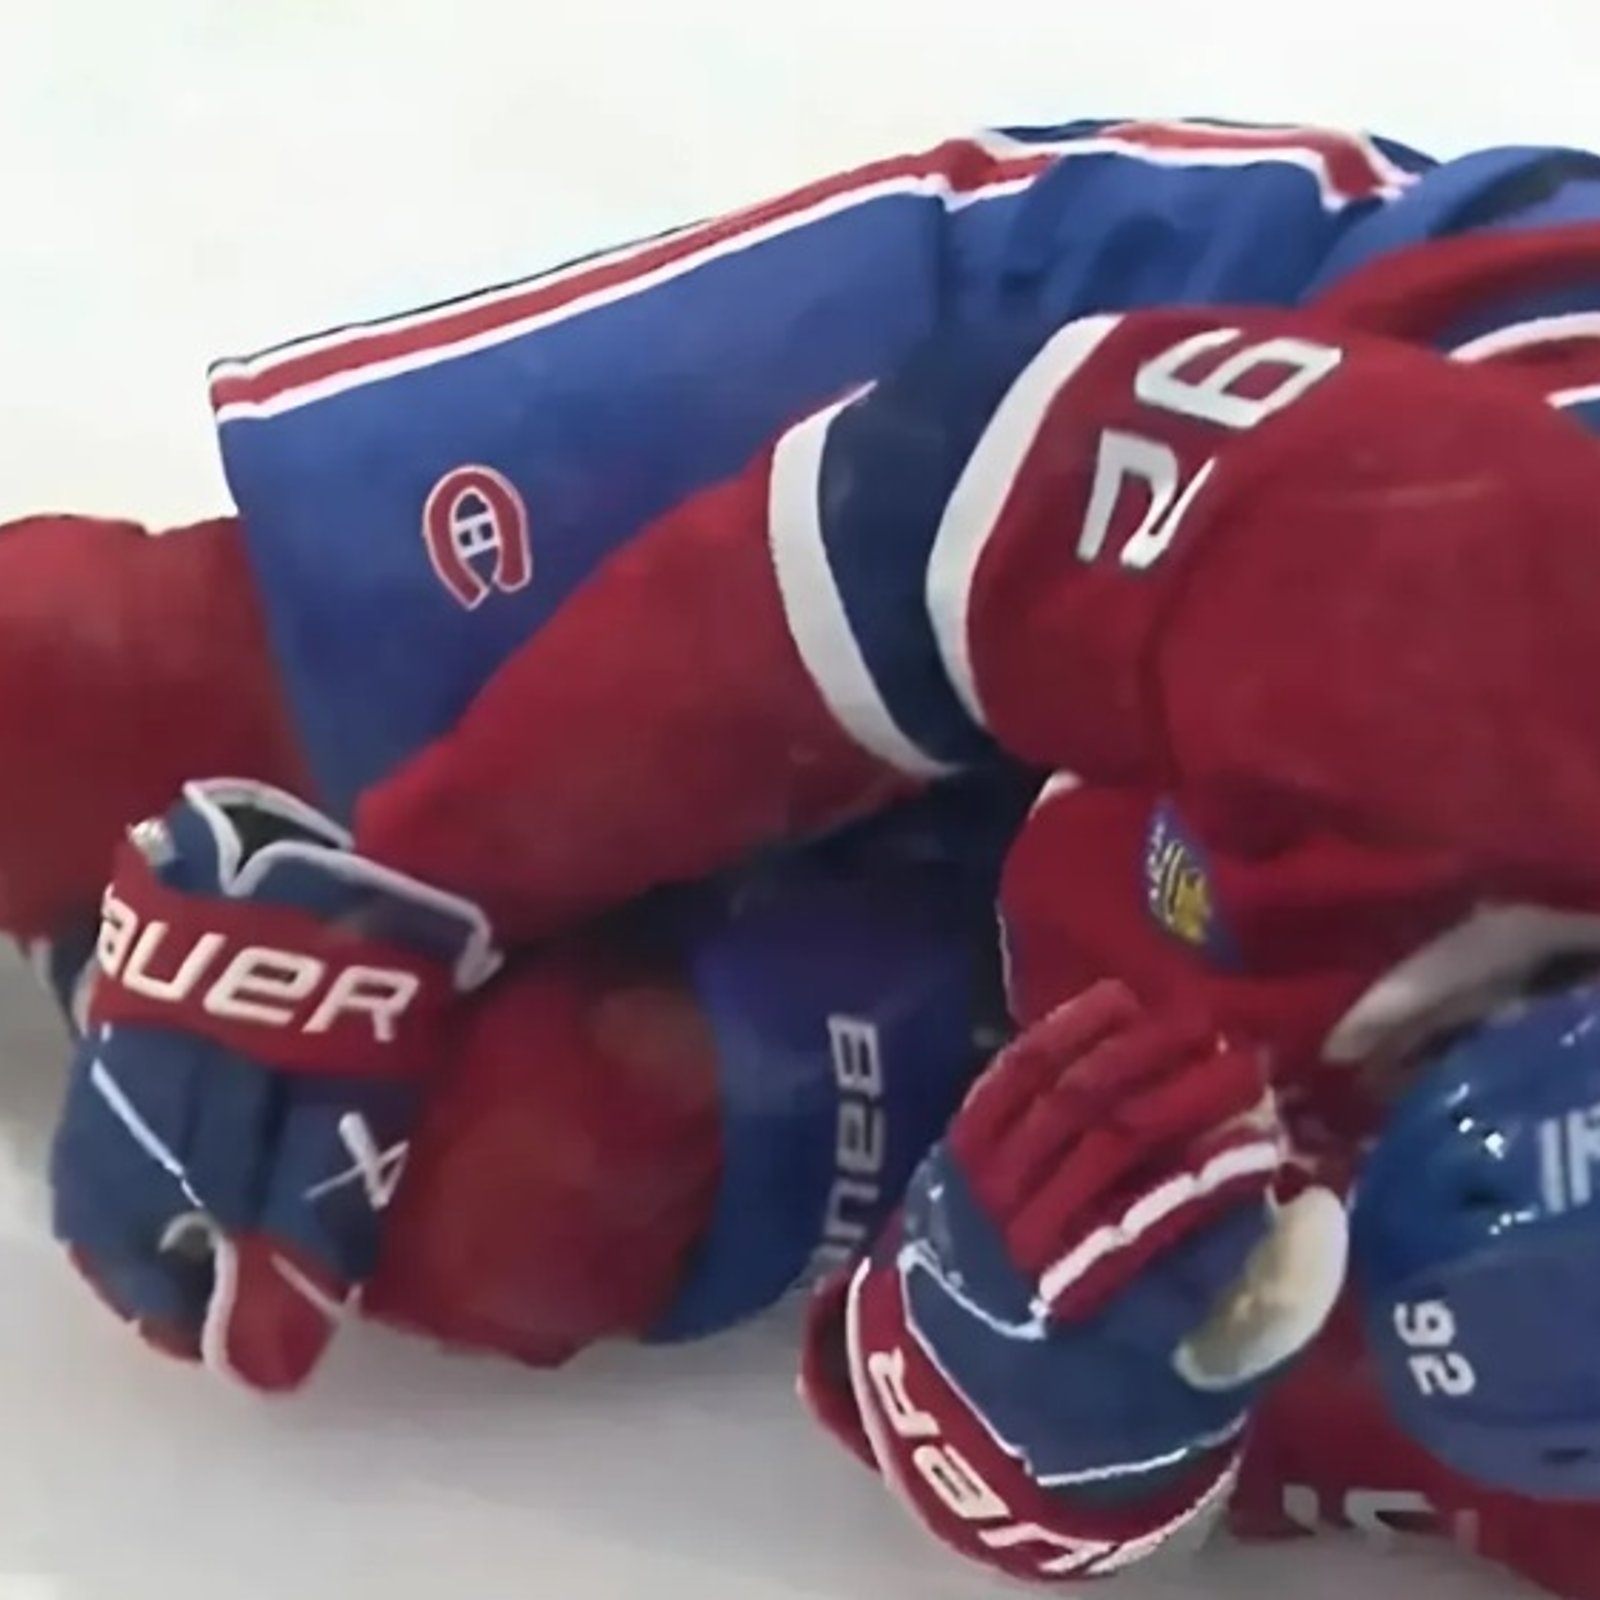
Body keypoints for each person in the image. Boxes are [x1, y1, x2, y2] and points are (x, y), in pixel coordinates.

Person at [21, 114, 1600, 1594]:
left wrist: (1050, 1416)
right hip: (1146, 422)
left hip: (1171, 881)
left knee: (505, 1190)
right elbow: (923, 523)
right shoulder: (1504, 586)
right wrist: (428, 874)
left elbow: (1175, 1425)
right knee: (83, 686)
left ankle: (151, 963)